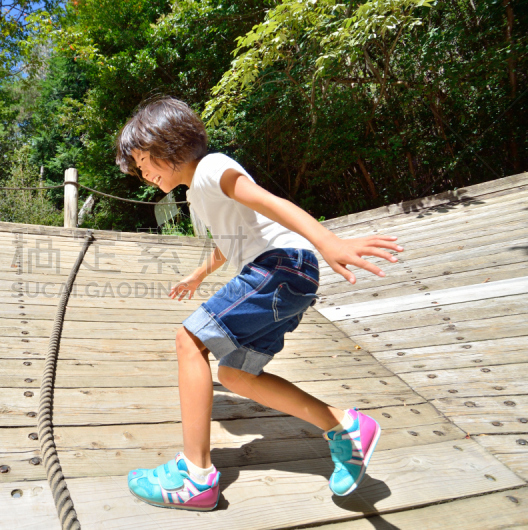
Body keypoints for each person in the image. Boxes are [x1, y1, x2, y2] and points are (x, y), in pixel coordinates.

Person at [115, 98, 403, 511]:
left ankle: (195, 477)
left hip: (281, 266)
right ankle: (344, 427)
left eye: (142, 162)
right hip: (289, 277)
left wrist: (329, 241)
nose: (141, 173)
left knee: (188, 340)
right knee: (235, 375)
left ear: (168, 145)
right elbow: (228, 241)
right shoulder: (197, 192)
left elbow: (271, 203)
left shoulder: (212, 167)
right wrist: (199, 274)